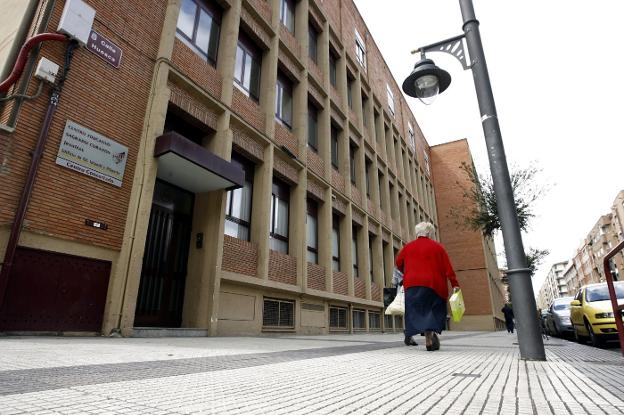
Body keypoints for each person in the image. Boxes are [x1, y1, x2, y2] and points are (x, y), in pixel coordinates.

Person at [395, 222, 460, 351]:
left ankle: (409, 332)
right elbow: (448, 268)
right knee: (432, 311)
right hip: (434, 284)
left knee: (416, 310)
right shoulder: (438, 247)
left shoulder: (408, 247)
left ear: (417, 233)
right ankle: (428, 339)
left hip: (412, 284)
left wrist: (407, 272)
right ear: (429, 233)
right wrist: (455, 284)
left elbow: (398, 263)